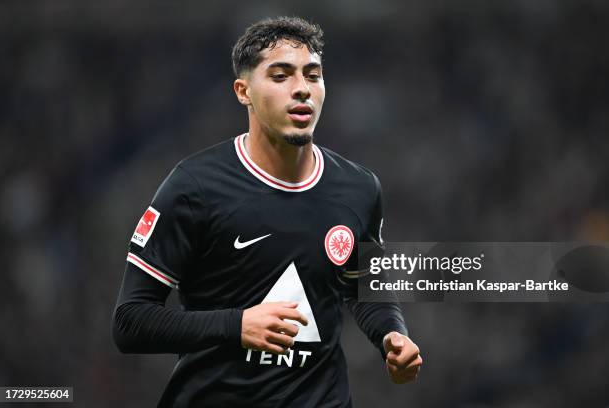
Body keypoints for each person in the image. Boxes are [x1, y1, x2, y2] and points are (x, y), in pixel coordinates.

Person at [112, 16, 422, 407]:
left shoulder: (359, 188)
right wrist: (236, 325)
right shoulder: (194, 186)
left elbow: (364, 285)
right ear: (243, 91)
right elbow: (130, 322)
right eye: (281, 76)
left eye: (313, 76)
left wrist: (392, 335)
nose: (302, 90)